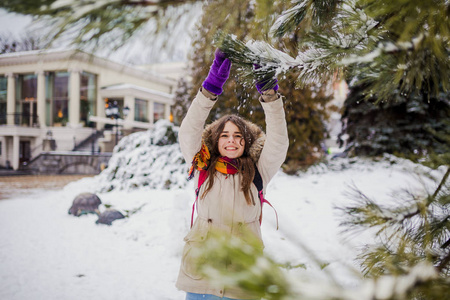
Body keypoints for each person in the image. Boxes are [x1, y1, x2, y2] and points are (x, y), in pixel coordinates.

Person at [176, 49, 289, 300]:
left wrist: (269, 95)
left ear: (245, 142)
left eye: (238, 136)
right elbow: (188, 132)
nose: (231, 141)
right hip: (201, 277)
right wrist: (210, 88)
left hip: (242, 278)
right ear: (216, 141)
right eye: (225, 135)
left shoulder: (259, 171)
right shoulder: (202, 165)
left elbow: (279, 142)